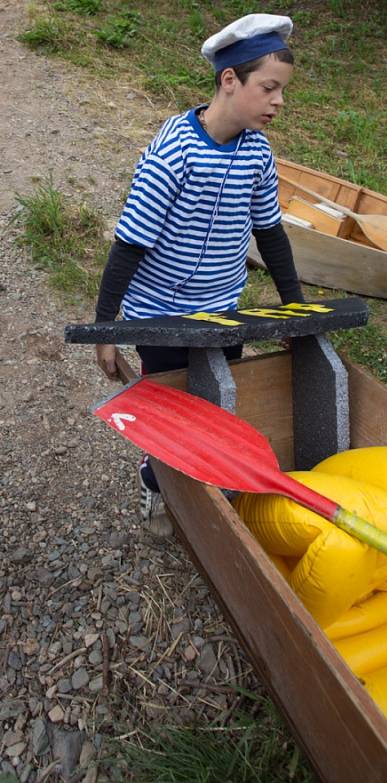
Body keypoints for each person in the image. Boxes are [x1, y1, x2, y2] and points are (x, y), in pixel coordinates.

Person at [94, 13, 304, 536]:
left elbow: (271, 234)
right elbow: (130, 242)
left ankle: (207, 494)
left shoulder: (257, 152)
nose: (278, 101)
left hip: (221, 311)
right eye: (269, 88)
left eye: (282, 90)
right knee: (167, 411)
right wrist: (104, 328)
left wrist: (297, 307)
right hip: (160, 315)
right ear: (230, 80)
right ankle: (156, 483)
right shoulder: (175, 152)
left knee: (214, 406)